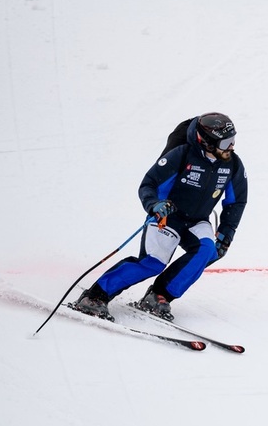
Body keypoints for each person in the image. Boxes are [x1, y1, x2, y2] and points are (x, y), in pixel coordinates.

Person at [74, 112, 249, 321]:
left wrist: (226, 233)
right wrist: (154, 204)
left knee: (206, 251)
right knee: (152, 262)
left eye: (233, 140)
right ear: (207, 142)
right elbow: (149, 184)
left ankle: (159, 296)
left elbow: (235, 202)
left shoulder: (233, 165)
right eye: (226, 142)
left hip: (197, 220)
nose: (231, 147)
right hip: (168, 216)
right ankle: (95, 296)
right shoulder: (182, 155)